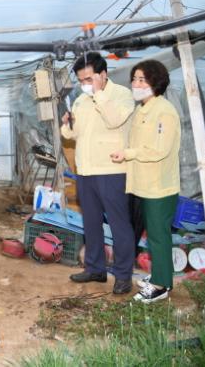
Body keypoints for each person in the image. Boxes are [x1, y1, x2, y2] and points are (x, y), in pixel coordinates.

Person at [61, 52, 135, 295]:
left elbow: (114, 120)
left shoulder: (121, 94)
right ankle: (95, 268)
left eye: (89, 79)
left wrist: (99, 93)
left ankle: (123, 276)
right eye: (81, 80)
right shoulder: (81, 100)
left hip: (112, 170)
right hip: (86, 170)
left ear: (103, 75)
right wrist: (67, 123)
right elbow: (73, 135)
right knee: (91, 222)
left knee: (118, 224)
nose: (85, 84)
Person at [110, 60, 181, 303]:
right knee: (154, 236)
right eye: (134, 79)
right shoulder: (142, 109)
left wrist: (128, 153)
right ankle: (161, 275)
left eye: (142, 80)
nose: (136, 84)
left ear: (155, 82)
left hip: (159, 186)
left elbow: (159, 150)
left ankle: (161, 286)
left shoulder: (164, 112)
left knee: (158, 236)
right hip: (144, 184)